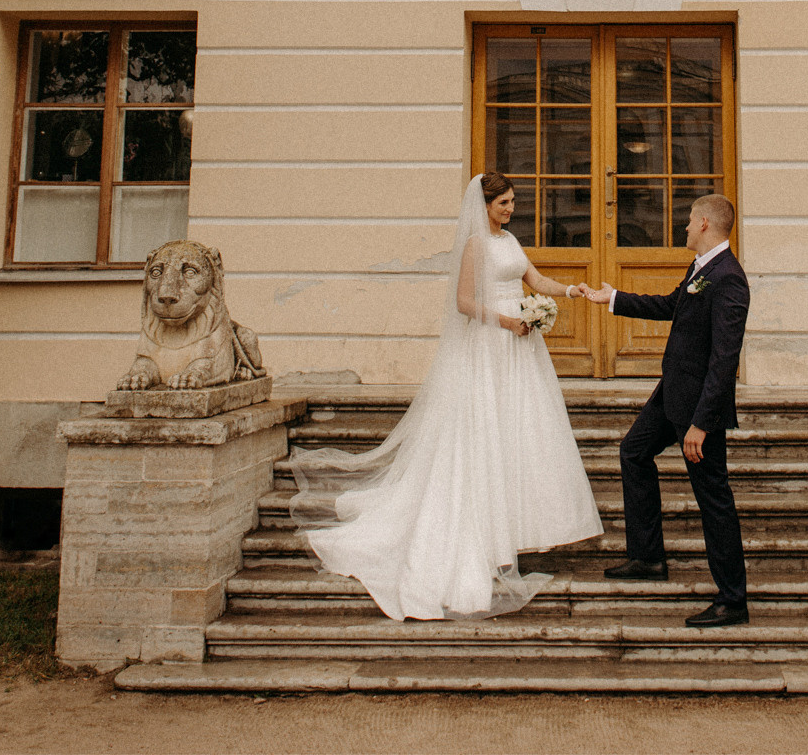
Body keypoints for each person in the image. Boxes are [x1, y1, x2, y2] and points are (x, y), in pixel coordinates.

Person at [286, 173, 601, 620]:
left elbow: (536, 279)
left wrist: (571, 291)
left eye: (513, 202)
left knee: (521, 432)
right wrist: (506, 321)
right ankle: (483, 533)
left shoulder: (510, 241)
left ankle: (513, 526)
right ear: (485, 204)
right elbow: (464, 303)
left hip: (520, 351)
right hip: (492, 345)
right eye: (504, 203)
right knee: (485, 433)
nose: (511, 209)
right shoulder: (475, 245)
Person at [573, 194, 751, 627]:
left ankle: (733, 599)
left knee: (714, 501)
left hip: (696, 411)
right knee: (633, 452)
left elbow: (725, 359)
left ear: (705, 223)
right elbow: (671, 306)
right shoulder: (701, 269)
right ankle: (648, 557)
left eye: (690, 221)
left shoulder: (729, 279)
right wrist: (612, 298)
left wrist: (702, 425)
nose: (685, 227)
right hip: (672, 393)